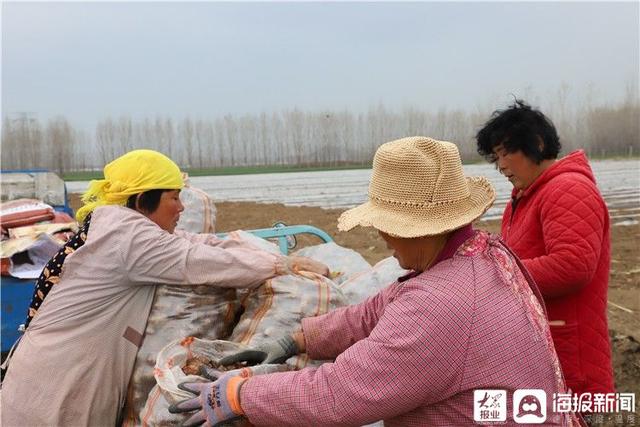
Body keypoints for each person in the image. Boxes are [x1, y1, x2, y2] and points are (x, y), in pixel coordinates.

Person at [170, 137, 581, 426]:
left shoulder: (441, 305)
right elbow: (376, 309)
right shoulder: (477, 254)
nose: (382, 235)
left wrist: (243, 396)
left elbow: (343, 394)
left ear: (418, 229)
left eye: (386, 224)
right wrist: (295, 341)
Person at [0, 149, 329, 426]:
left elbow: (196, 242)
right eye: (174, 197)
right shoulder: (128, 237)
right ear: (144, 200)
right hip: (54, 386)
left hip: (59, 370)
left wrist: (239, 244)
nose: (182, 207)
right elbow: (196, 261)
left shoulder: (121, 225)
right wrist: (282, 265)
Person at [476, 100, 614, 398]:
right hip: (544, 350)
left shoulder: (567, 189)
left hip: (570, 359)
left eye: (505, 152)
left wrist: (495, 272)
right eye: (496, 156)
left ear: (536, 143)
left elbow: (572, 265)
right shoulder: (526, 197)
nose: (500, 165)